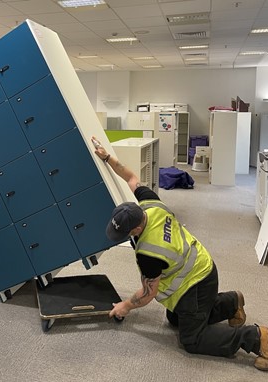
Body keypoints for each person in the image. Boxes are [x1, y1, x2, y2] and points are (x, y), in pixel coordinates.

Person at [91, 136, 268, 371]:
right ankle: (231, 302)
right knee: (175, 318)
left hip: (197, 282)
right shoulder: (149, 203)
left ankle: (256, 338)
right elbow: (131, 177)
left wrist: (125, 306)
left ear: (135, 229)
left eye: (124, 233)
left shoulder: (148, 252)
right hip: (200, 265)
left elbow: (148, 293)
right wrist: (108, 157)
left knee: (192, 340)